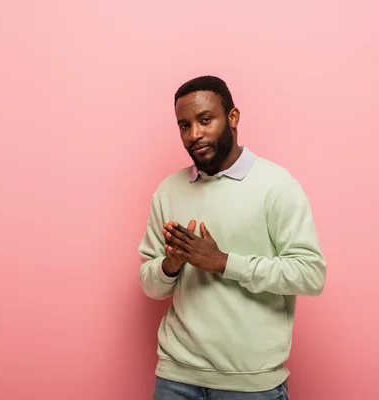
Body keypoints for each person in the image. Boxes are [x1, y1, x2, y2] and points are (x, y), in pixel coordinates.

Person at [138, 75, 326, 400]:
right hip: (175, 378)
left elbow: (311, 275)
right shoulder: (168, 191)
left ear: (233, 118)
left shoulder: (276, 186)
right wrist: (170, 266)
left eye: (205, 119)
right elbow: (150, 285)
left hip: (251, 385)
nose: (194, 134)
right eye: (184, 125)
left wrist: (224, 262)